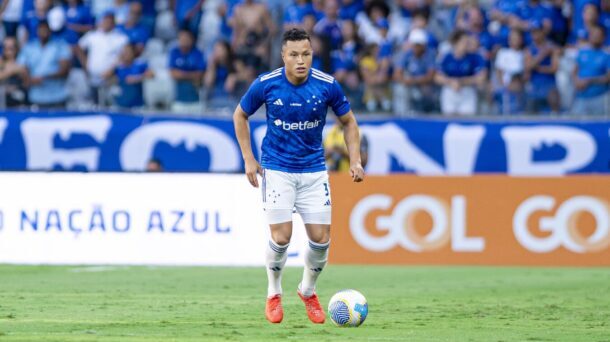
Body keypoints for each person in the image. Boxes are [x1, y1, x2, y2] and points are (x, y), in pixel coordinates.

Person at [232, 28, 364, 325]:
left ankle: (307, 290)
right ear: (283, 56)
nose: (301, 60)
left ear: (312, 54)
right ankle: (273, 292)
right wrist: (248, 158)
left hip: (314, 171)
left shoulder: (326, 85)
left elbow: (349, 122)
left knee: (321, 240)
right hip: (277, 169)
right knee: (282, 238)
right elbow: (239, 115)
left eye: (306, 54)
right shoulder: (266, 84)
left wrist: (354, 159)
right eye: (294, 55)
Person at [17, 20, 71, 108]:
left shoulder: (60, 46)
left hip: (57, 96)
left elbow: (64, 70)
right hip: (36, 97)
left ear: (50, 31)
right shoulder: (29, 47)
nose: (43, 33)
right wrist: (29, 79)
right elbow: (21, 67)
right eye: (41, 30)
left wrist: (44, 77)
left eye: (46, 30)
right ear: (37, 31)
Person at [572, 25, 610, 116]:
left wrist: (589, 81)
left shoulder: (606, 55)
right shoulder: (582, 52)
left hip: (599, 97)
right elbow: (574, 71)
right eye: (593, 34)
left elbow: (608, 78)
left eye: (598, 35)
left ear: (603, 37)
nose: (595, 37)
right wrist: (576, 81)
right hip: (580, 97)